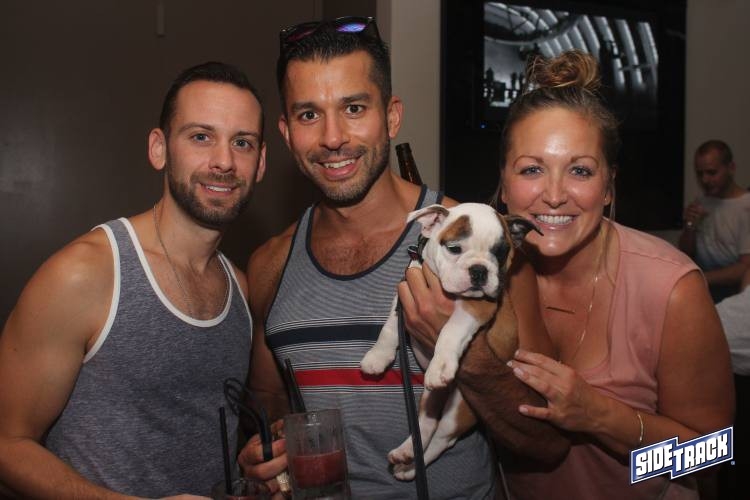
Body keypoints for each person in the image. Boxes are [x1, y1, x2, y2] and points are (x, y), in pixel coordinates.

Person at [239, 17, 567, 499]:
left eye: (354, 108)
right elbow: (271, 411)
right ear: (287, 133)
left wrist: (465, 354)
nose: (333, 137)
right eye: (309, 115)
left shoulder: (484, 246)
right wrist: (263, 458)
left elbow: (548, 440)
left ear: (392, 116)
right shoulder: (269, 265)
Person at [402, 51, 734, 499]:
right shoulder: (483, 274)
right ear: (504, 184)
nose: (555, 195)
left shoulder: (671, 288)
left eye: (580, 170)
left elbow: (714, 456)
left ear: (608, 185)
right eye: (532, 169)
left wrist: (600, 416)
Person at [0, 62, 266, 499]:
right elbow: (8, 444)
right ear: (159, 149)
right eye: (201, 137)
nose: (224, 161)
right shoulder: (85, 274)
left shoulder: (241, 290)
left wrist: (254, 462)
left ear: (260, 164)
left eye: (242, 142)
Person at [679, 139, 750, 302]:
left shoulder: (746, 207)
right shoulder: (702, 201)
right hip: (703, 284)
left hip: (733, 291)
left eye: (711, 173)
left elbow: (745, 268)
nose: (704, 180)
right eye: (699, 173)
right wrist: (689, 226)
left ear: (731, 168)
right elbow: (686, 251)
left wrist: (699, 278)